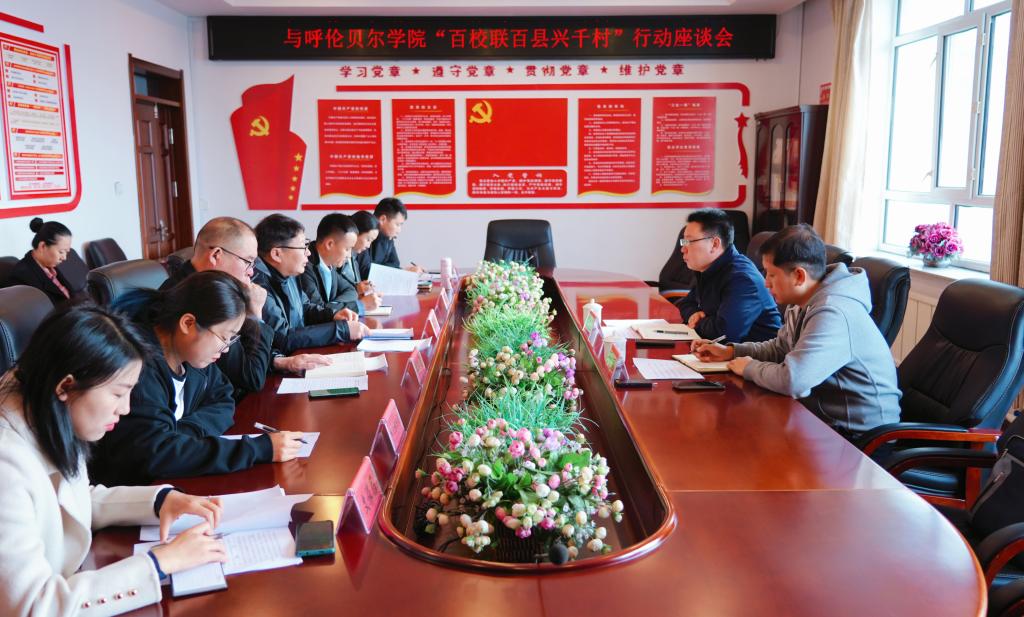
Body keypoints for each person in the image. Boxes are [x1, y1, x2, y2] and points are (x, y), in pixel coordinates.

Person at [0, 306, 228, 616]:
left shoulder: (44, 410)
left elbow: (68, 502)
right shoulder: (6, 464)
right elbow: (32, 607)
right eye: (119, 394)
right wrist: (158, 563)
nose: (126, 408)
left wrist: (160, 500)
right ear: (66, 386)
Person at [90, 271, 305, 486]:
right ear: (188, 323)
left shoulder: (191, 358)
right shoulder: (138, 368)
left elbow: (224, 398)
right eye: (224, 337)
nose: (225, 349)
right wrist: (257, 449)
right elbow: (157, 453)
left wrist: (182, 435)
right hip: (136, 493)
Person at [693, 224, 901, 438]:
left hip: (860, 437)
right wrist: (732, 351)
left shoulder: (834, 311)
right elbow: (781, 348)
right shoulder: (803, 300)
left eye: (772, 275)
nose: (766, 283)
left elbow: (794, 380)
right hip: (822, 419)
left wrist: (749, 367)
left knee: (741, 436)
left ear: (799, 276)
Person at [163, 217, 330, 397]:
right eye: (247, 262)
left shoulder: (213, 287)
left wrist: (280, 361)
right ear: (216, 255)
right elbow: (251, 377)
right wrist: (255, 315)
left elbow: (243, 353)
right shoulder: (196, 299)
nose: (251, 271)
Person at [253, 214, 369, 354]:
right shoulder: (258, 287)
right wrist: (341, 330)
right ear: (277, 254)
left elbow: (306, 308)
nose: (308, 252)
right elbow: (283, 338)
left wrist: (333, 315)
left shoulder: (290, 273)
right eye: (303, 247)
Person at [675, 209, 781, 343]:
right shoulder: (709, 269)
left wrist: (698, 322)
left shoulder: (742, 278)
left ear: (714, 244)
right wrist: (693, 314)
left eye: (689, 241)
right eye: (683, 241)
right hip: (718, 351)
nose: (683, 249)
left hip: (752, 354)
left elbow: (724, 334)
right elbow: (686, 303)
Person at [299, 213, 381, 315]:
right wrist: (360, 305)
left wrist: (331, 306)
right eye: (347, 249)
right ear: (329, 244)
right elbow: (318, 311)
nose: (349, 255)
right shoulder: (305, 267)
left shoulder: (330, 264)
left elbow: (351, 290)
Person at [10, 217, 88, 308]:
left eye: (67, 252)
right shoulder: (21, 277)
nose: (64, 258)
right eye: (61, 252)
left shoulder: (50, 266)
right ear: (43, 246)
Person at [359, 197, 423, 278]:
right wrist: (403, 271)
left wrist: (397, 270)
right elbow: (366, 271)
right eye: (397, 224)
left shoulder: (388, 236)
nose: (399, 230)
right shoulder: (363, 232)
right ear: (383, 219)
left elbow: (395, 263)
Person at [351, 210, 382, 301]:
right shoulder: (339, 258)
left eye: (371, 241)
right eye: (368, 239)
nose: (368, 246)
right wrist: (356, 290)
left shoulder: (357, 253)